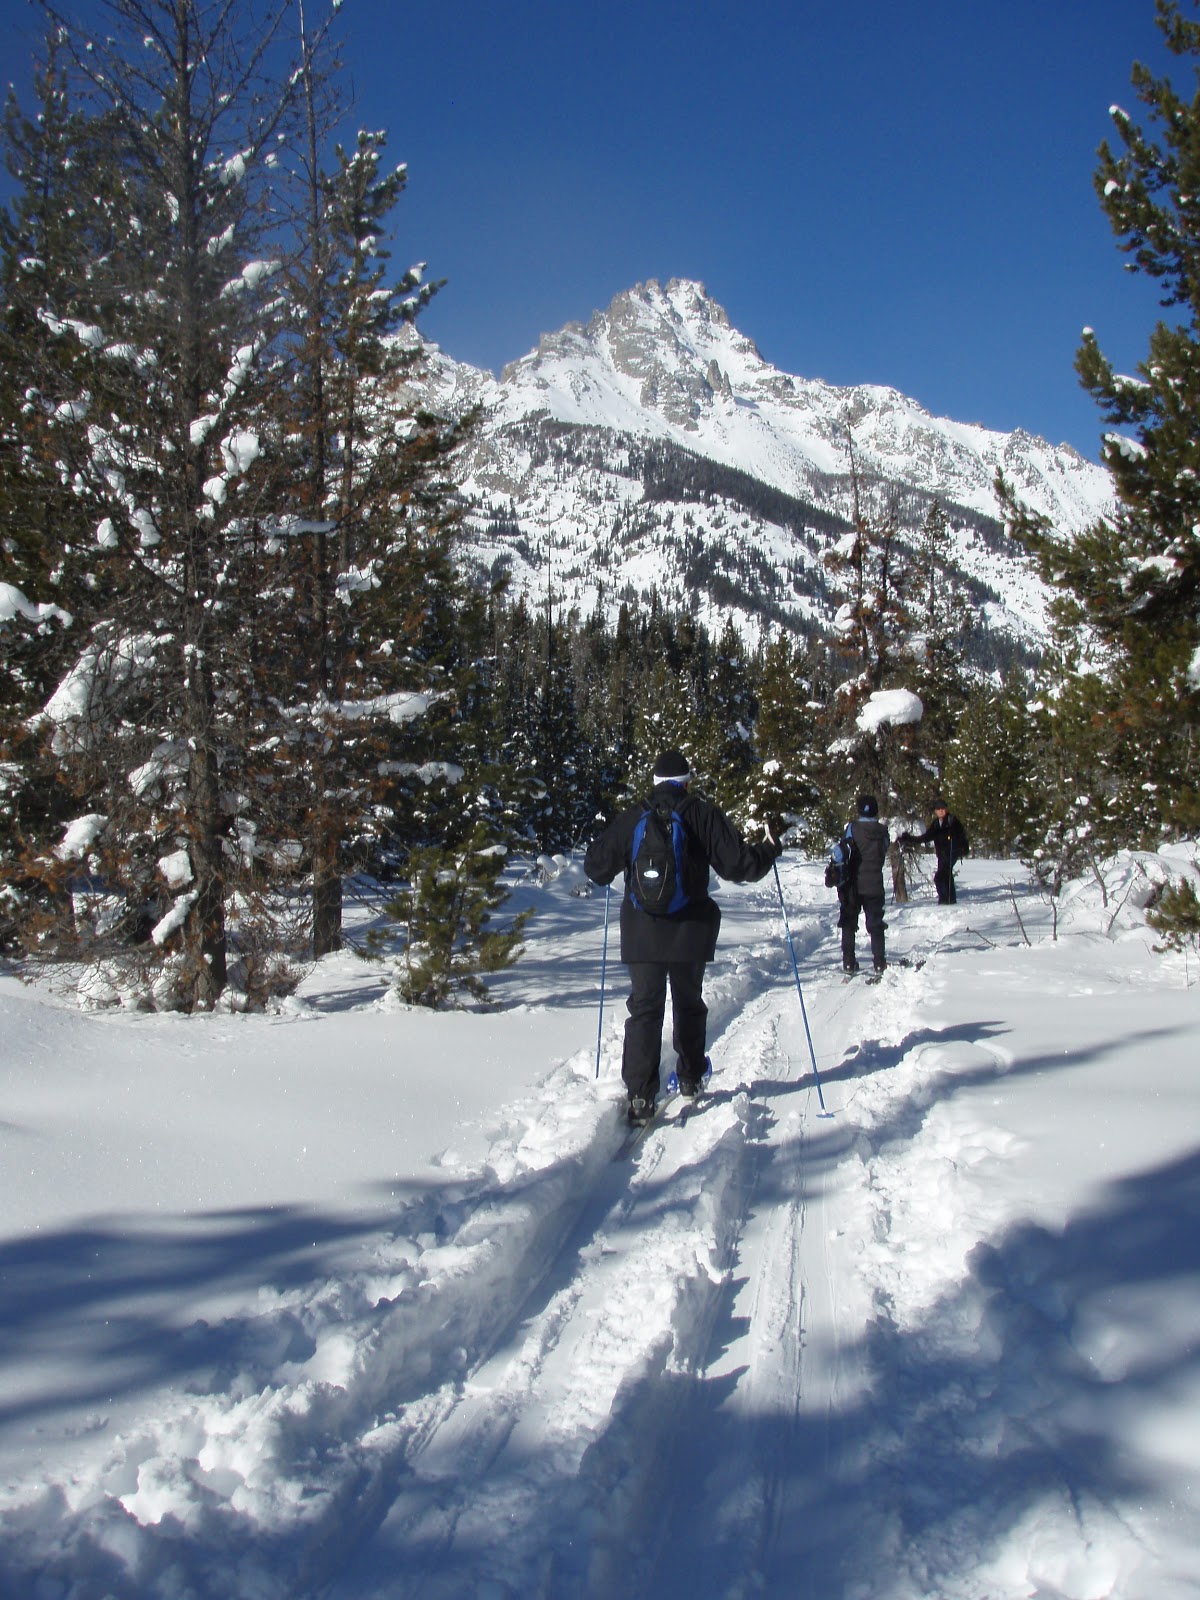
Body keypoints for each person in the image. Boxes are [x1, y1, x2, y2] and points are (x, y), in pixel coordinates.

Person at [584, 749, 782, 1125]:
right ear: (686, 782)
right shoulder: (700, 813)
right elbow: (739, 865)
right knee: (688, 1002)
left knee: (645, 1008)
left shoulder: (635, 815)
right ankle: (690, 1077)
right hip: (690, 930)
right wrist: (770, 849)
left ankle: (640, 1096)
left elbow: (595, 867)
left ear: (655, 782)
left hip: (642, 932)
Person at [838, 794, 890, 975]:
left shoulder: (852, 828)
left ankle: (848, 962)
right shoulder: (883, 831)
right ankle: (879, 962)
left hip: (853, 883)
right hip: (874, 882)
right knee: (876, 923)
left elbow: (843, 850)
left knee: (849, 922)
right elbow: (884, 849)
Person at [900, 796, 969, 905]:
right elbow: (926, 837)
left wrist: (955, 839)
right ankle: (950, 900)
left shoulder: (952, 821)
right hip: (941, 855)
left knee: (940, 877)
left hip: (952, 853)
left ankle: (945, 901)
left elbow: (960, 835)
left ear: (946, 809)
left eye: (943, 808)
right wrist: (910, 839)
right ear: (936, 811)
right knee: (946, 876)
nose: (941, 811)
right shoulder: (936, 824)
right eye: (938, 809)